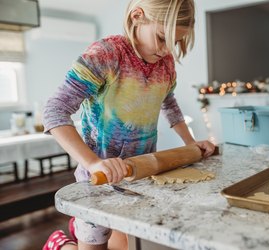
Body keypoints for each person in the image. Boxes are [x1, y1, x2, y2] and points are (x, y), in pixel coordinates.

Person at [42, 0, 215, 249]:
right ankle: (60, 244)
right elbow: (54, 110)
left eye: (175, 42)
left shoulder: (165, 64)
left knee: (133, 244)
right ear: (137, 17)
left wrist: (191, 143)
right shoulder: (106, 54)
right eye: (161, 38)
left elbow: (169, 104)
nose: (167, 50)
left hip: (141, 175)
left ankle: (76, 231)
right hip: (98, 179)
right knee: (94, 245)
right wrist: (93, 163)